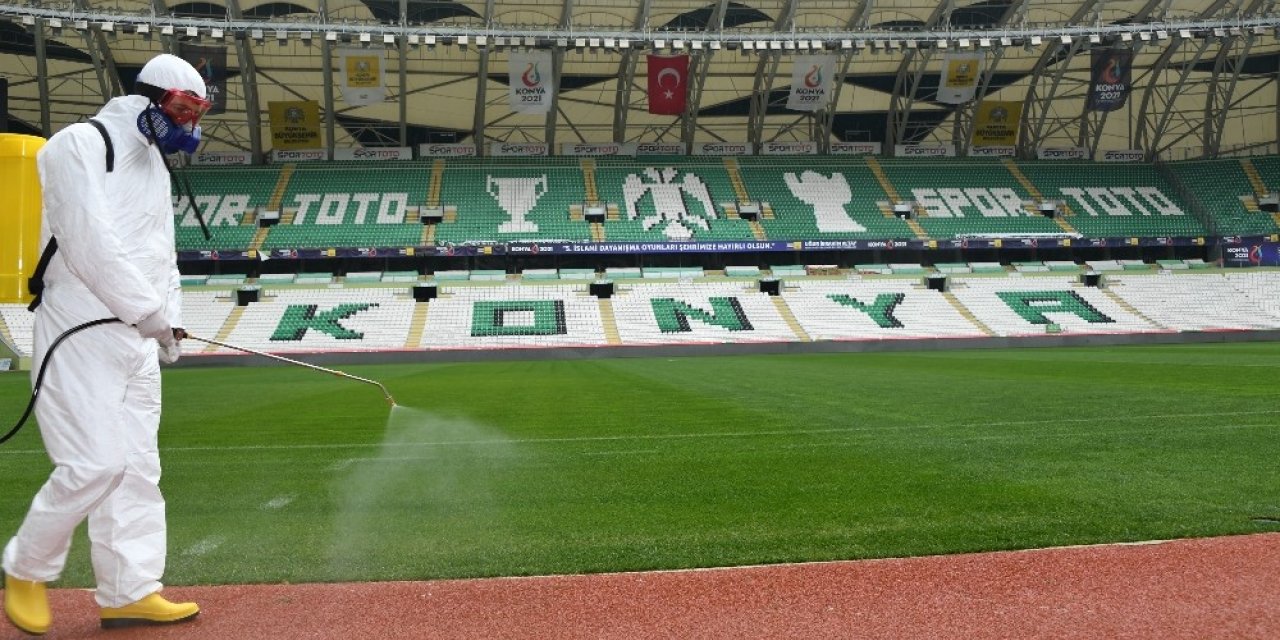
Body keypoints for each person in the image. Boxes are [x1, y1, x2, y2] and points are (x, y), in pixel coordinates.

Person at [3, 53, 208, 634]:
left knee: (138, 471)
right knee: (94, 464)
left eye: (197, 113)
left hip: (137, 340)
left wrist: (167, 324)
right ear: (147, 98)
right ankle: (25, 566)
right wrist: (148, 313)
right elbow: (87, 239)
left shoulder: (156, 166)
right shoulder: (77, 144)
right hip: (79, 330)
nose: (189, 124)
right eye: (182, 109)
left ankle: (129, 592)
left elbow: (160, 258)